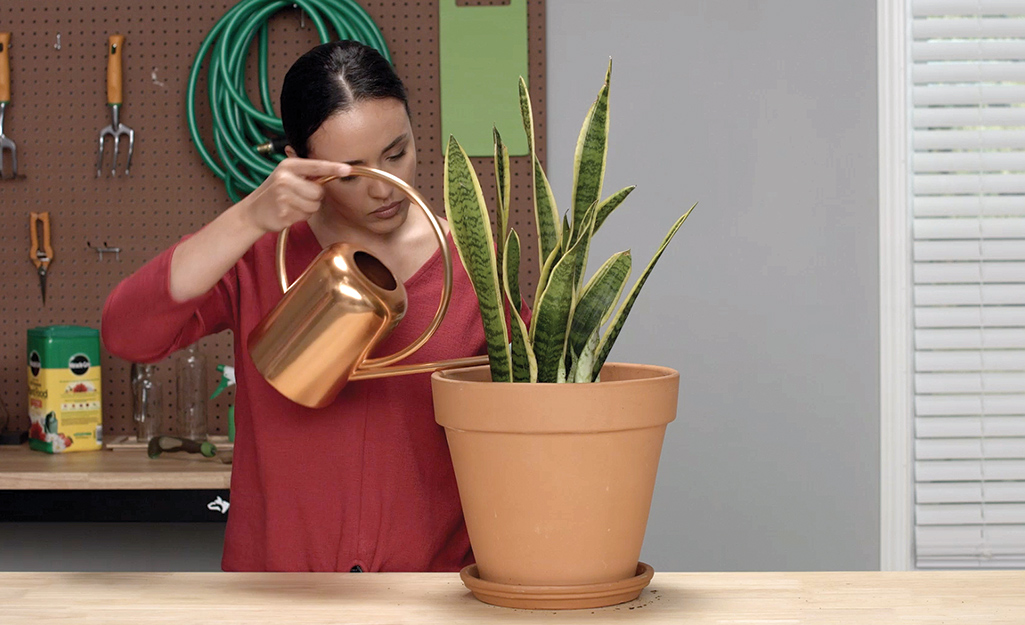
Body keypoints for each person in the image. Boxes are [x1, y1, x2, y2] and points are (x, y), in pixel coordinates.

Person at [102, 41, 490, 572]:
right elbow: (126, 333)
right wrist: (249, 219)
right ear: (300, 168)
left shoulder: (476, 270)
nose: (386, 188)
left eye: (397, 152)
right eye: (350, 173)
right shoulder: (262, 258)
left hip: (430, 597)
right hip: (274, 596)